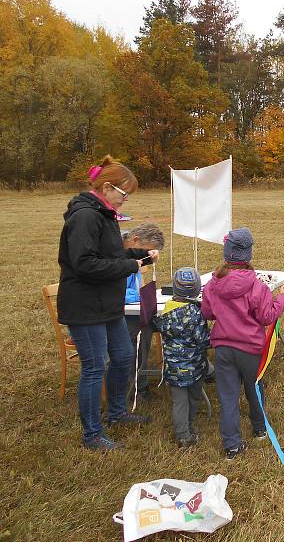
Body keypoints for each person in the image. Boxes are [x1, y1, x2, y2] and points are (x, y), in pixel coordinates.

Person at [57, 155, 157, 451]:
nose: (126, 200)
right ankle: (92, 435)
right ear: (107, 186)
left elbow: (111, 256)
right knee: (94, 366)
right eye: (125, 193)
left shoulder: (105, 214)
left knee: (124, 356)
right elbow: (85, 263)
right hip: (85, 306)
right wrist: (130, 268)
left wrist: (139, 256)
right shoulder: (85, 217)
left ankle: (117, 413)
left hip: (107, 303)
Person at [201, 228, 284, 460]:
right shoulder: (257, 287)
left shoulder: (212, 284)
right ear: (248, 256)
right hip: (250, 349)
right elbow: (267, 317)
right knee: (254, 388)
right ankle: (259, 428)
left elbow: (207, 313)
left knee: (228, 395)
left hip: (223, 348)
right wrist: (283, 297)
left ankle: (232, 444)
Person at [151, 267, 210, 447]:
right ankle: (189, 427)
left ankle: (183, 435)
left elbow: (158, 326)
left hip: (173, 369)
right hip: (195, 368)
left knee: (179, 402)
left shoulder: (167, 309)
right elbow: (203, 340)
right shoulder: (196, 313)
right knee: (193, 398)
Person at [122, 223, 165, 400]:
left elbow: (134, 286)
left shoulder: (131, 253)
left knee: (158, 324)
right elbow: (117, 291)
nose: (145, 257)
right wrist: (138, 296)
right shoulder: (114, 254)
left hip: (130, 310)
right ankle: (137, 387)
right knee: (138, 334)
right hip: (106, 315)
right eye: (146, 252)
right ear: (135, 241)